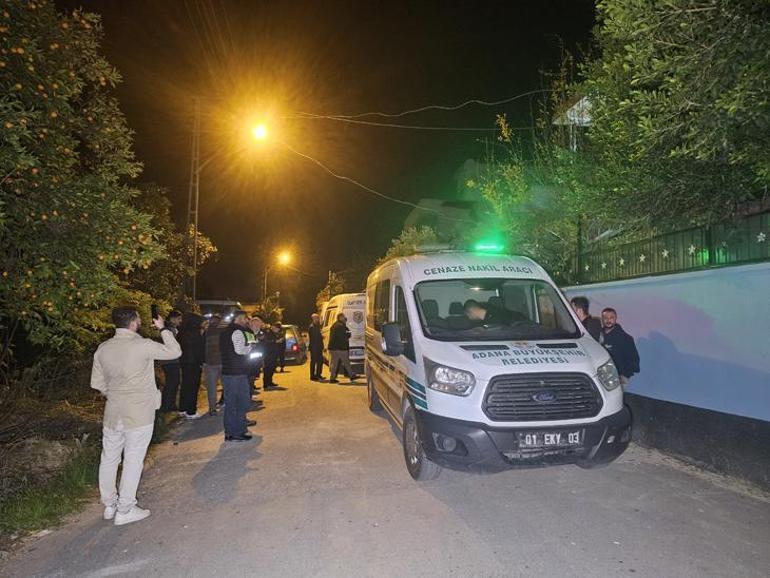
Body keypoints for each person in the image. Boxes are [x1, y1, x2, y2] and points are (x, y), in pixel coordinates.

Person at [91, 306, 181, 525]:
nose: (140, 321)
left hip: (113, 412)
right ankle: (125, 509)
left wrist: (115, 394)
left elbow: (98, 383)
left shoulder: (103, 348)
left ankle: (110, 505)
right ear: (133, 322)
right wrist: (163, 329)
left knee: (109, 458)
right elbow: (174, 352)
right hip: (139, 412)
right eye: (139, 319)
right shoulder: (142, 345)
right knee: (133, 459)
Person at [219, 310, 256, 441]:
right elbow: (240, 350)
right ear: (239, 318)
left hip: (229, 372)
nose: (247, 321)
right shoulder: (237, 332)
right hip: (236, 373)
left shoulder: (225, 332)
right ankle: (236, 432)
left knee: (232, 403)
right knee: (239, 403)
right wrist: (250, 346)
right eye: (246, 318)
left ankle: (233, 431)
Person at [599, 307, 640, 387]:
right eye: (605, 318)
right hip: (600, 377)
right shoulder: (596, 335)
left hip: (618, 379)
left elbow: (634, 360)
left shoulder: (625, 338)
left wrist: (624, 375)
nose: (608, 320)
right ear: (602, 319)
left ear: (616, 318)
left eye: (611, 318)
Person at [178, 312, 206, 420]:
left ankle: (182, 408)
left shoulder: (181, 332)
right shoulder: (196, 333)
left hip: (184, 362)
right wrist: (202, 362)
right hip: (194, 363)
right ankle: (191, 411)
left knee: (185, 385)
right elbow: (200, 350)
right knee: (193, 387)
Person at [159, 309, 182, 412]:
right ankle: (167, 406)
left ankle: (169, 405)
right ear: (172, 319)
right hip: (170, 360)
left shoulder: (170, 329)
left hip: (169, 360)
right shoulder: (170, 330)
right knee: (172, 383)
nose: (180, 321)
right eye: (179, 318)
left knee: (173, 382)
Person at [204, 314, 226, 416]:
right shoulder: (224, 330)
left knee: (211, 387)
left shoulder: (206, 331)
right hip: (223, 362)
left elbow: (202, 347)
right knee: (226, 385)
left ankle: (212, 408)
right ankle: (227, 404)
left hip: (210, 362)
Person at [328, 313, 357, 384]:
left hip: (333, 348)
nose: (345, 318)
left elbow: (346, 332)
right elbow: (346, 335)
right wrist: (348, 333)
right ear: (340, 318)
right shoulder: (341, 326)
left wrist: (347, 330)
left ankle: (332, 378)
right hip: (340, 348)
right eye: (344, 317)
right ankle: (351, 375)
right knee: (346, 362)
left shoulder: (335, 325)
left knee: (334, 363)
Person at [262, 322, 285, 390]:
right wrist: (276, 341)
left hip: (274, 353)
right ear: (274, 327)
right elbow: (266, 341)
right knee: (268, 368)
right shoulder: (268, 332)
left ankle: (270, 381)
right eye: (277, 329)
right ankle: (266, 383)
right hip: (268, 354)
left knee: (272, 368)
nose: (278, 331)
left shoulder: (274, 333)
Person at [308, 313, 324, 381]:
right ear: (314, 319)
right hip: (315, 347)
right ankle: (313, 376)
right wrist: (321, 337)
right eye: (317, 318)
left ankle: (318, 374)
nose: (318, 319)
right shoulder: (312, 327)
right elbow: (315, 337)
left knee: (319, 361)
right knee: (314, 361)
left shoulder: (316, 326)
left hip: (317, 346)